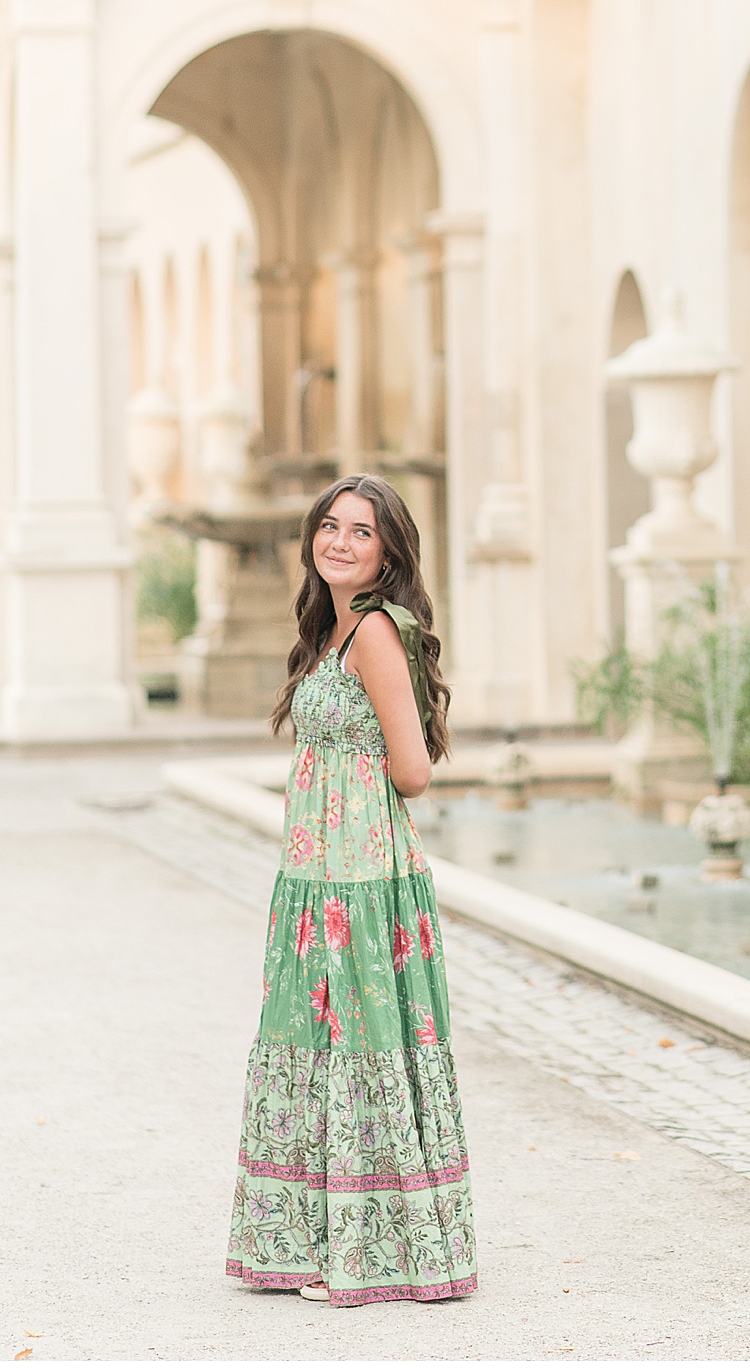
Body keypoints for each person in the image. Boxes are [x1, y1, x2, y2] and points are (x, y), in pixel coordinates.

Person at [226, 473, 477, 1307]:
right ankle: (321, 1239)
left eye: (360, 532)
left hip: (361, 876)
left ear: (388, 552)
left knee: (359, 1037)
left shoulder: (373, 632)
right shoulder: (332, 633)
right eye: (329, 526)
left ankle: (377, 1247)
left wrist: (347, 783)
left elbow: (414, 771)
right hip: (319, 872)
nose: (339, 541)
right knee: (318, 1038)